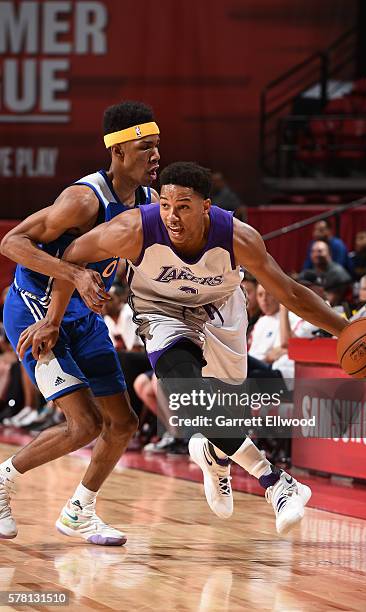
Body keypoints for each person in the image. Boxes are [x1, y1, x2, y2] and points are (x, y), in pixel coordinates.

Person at [18, 162, 348, 536]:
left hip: (221, 311)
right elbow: (73, 255)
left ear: (207, 206)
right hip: (162, 313)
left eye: (184, 207)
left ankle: (212, 456)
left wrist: (346, 330)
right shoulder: (134, 229)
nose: (172, 216)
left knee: (220, 414)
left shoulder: (238, 238)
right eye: (166, 206)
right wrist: (53, 319)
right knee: (188, 395)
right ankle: (276, 482)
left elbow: (289, 292)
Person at [0, 100, 160, 544]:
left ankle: (79, 512)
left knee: (123, 423)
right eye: (146, 147)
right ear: (118, 153)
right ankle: (2, 483)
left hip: (83, 315)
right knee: (84, 424)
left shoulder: (148, 202)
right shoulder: (81, 199)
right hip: (36, 307)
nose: (155, 157)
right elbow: (11, 242)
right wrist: (72, 275)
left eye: (158, 147)